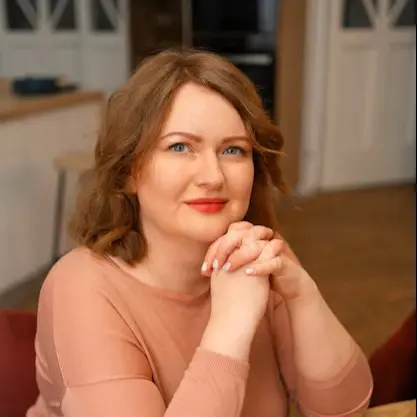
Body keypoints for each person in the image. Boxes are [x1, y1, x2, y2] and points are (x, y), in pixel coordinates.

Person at [27, 48, 373, 417]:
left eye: (233, 150)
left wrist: (302, 294)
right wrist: (232, 325)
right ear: (128, 172)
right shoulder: (81, 286)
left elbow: (345, 411)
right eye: (180, 147)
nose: (213, 176)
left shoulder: (254, 258)